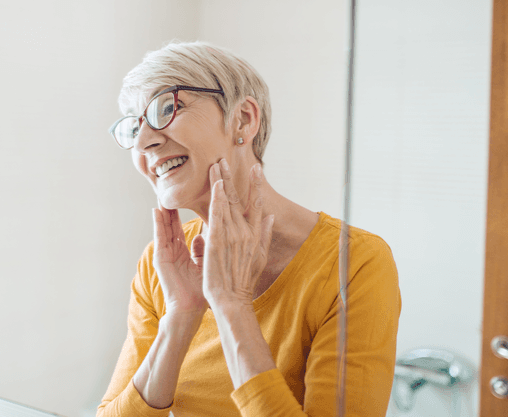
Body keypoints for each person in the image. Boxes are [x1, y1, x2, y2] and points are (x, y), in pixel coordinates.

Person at [98, 42, 401, 417]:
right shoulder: (161, 265)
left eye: (166, 108)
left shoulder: (354, 262)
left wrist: (233, 306)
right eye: (134, 126)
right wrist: (181, 314)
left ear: (243, 119)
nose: (144, 142)